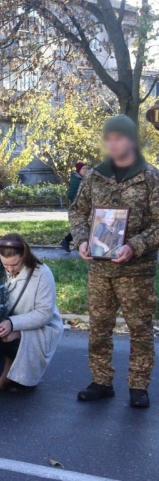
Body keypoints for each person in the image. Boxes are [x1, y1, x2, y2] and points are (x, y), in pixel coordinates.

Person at [70, 114, 159, 409]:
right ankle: (101, 381)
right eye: (108, 139)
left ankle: (138, 385)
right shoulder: (95, 176)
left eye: (118, 138)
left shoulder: (150, 177)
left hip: (136, 270)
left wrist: (135, 246)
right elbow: (78, 211)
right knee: (99, 327)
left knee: (140, 329)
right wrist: (82, 240)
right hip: (99, 268)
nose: (112, 144)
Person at [0, 234, 62, 391]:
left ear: (24, 256)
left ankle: (25, 375)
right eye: (5, 264)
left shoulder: (42, 273)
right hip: (5, 332)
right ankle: (11, 364)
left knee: (20, 382)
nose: (9, 269)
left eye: (14, 264)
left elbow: (44, 314)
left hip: (37, 330)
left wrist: (13, 325)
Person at [61, 162, 88, 252]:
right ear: (79, 170)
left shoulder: (84, 178)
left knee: (86, 225)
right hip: (79, 207)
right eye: (83, 169)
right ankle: (67, 241)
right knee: (81, 226)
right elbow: (71, 194)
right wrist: (78, 202)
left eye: (86, 168)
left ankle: (67, 241)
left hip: (86, 206)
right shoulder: (76, 180)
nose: (86, 170)